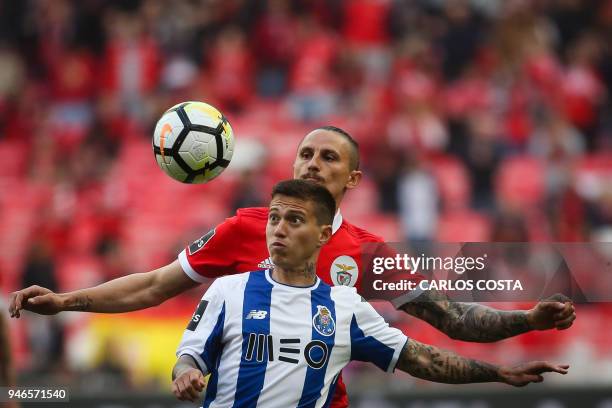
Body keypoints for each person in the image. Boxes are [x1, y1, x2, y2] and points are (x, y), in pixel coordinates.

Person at [9, 126, 576, 407]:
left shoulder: (367, 252)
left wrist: (526, 320)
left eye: (329, 157)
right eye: (305, 152)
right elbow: (156, 285)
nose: (312, 162)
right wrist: (66, 300)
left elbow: (448, 321)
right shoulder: (244, 228)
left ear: (351, 181)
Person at [171, 179, 569, 406]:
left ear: (323, 235)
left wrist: (498, 371)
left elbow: (420, 359)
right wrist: (186, 371)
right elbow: (190, 353)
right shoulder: (228, 290)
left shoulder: (344, 306)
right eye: (274, 218)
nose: (278, 228)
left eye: (294, 220)